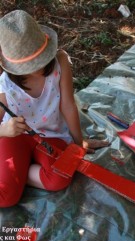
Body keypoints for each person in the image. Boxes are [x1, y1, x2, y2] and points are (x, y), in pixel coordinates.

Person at [0, 10, 109, 207]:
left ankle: (19, 173)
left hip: (51, 136)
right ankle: (15, 174)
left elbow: (68, 105)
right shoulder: (5, 84)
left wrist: (78, 144)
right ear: (13, 68)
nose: (38, 67)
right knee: (6, 197)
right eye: (30, 65)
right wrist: (4, 130)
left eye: (41, 58)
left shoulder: (60, 61)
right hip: (15, 137)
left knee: (60, 177)